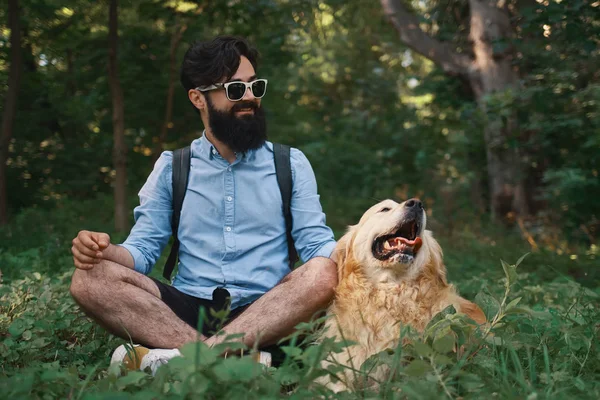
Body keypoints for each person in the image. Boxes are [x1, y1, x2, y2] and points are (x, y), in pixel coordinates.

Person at [69, 35, 338, 374]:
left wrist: (367, 250)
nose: (251, 97)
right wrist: (100, 250)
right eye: (235, 90)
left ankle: (184, 360)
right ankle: (232, 360)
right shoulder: (172, 167)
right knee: (88, 279)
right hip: (188, 309)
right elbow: (143, 250)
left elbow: (317, 244)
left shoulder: (291, 164)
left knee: (323, 271)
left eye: (255, 86)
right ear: (198, 98)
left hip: (268, 310)